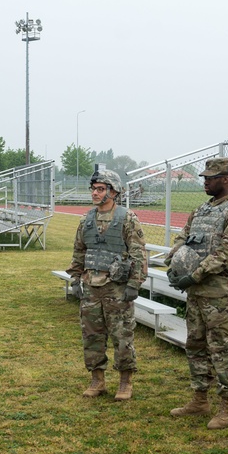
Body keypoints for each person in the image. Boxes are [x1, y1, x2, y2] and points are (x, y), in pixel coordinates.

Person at [166, 157, 228, 430]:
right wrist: (173, 260)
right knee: (195, 345)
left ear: (226, 179)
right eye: (204, 177)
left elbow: (227, 252)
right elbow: (183, 236)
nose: (205, 181)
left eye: (210, 177)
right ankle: (199, 399)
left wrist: (195, 274)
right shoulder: (200, 210)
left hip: (218, 294)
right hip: (196, 291)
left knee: (221, 348)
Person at [66, 169, 148, 400]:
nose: (95, 193)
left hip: (117, 287)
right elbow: (79, 250)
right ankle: (97, 379)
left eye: (100, 189)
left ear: (113, 192)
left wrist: (134, 284)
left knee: (122, 335)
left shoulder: (127, 218)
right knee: (92, 335)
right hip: (91, 286)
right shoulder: (86, 219)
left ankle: (125, 382)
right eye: (93, 188)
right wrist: (75, 278)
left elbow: (138, 253)